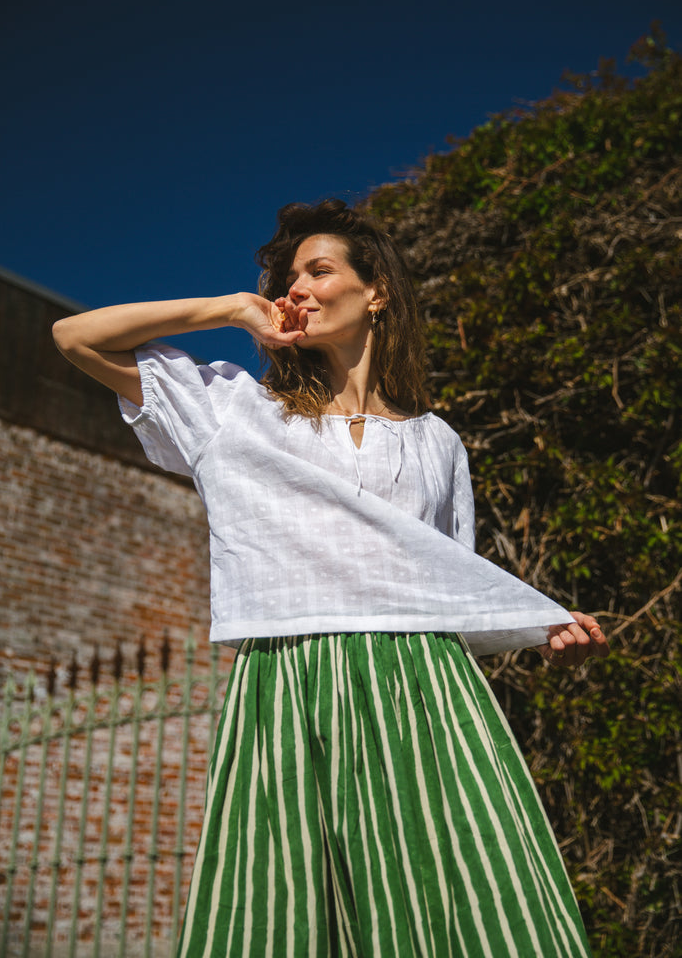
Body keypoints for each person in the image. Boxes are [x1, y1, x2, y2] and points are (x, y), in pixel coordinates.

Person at [53, 199, 609, 958]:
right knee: (284, 903)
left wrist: (542, 632)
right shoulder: (231, 411)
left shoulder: (436, 442)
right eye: (288, 278)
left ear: (375, 290)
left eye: (320, 271)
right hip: (289, 673)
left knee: (450, 895)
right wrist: (232, 309)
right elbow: (72, 336)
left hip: (421, 683)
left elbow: (444, 582)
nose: (299, 290)